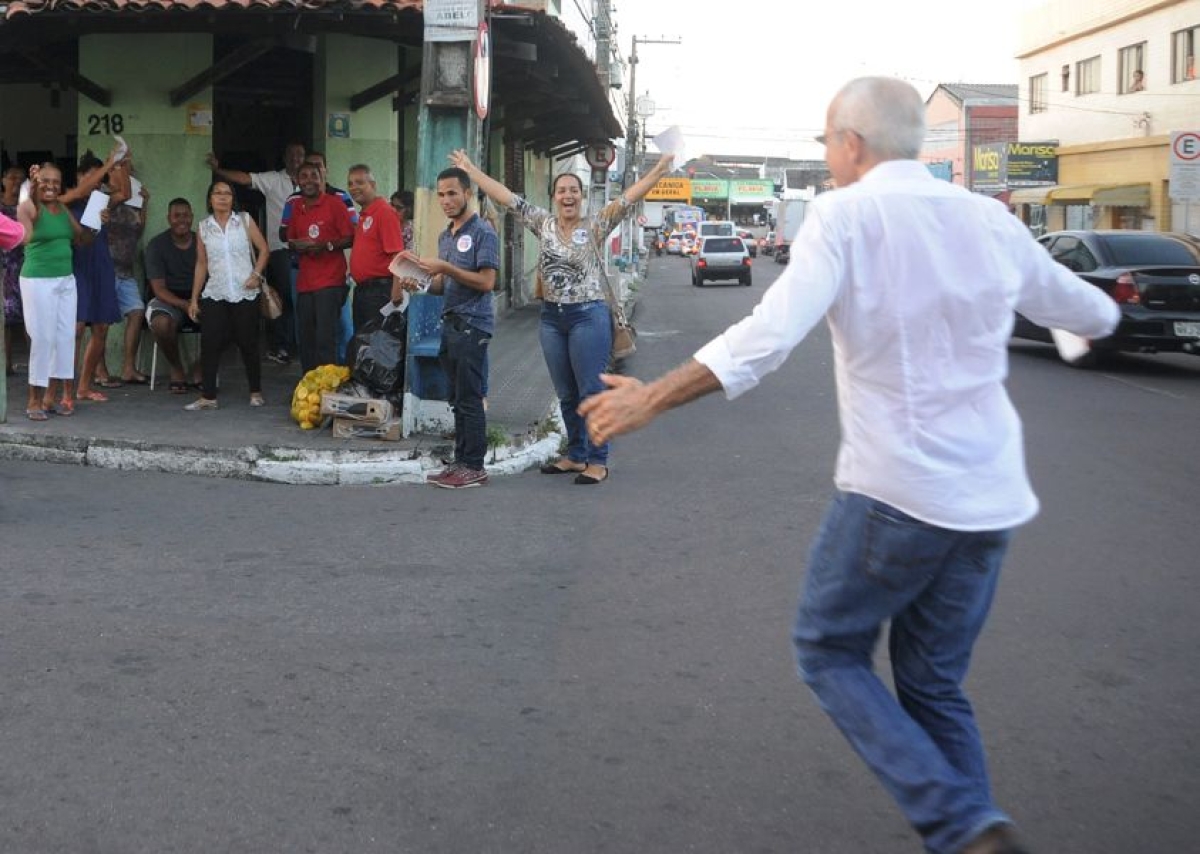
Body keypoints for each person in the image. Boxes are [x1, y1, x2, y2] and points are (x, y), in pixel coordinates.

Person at [578, 77, 1121, 854]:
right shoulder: (989, 220)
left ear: (852, 144)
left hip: (896, 495)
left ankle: (962, 823)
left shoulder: (843, 215)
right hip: (990, 501)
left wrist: (653, 399)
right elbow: (1092, 313)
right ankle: (976, 834)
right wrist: (1070, 334)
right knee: (932, 685)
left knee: (829, 649)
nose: (828, 157)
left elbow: (767, 337)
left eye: (827, 142)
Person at [448, 147, 674, 485]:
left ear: (581, 197)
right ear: (554, 197)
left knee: (590, 392)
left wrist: (657, 172)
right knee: (566, 393)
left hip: (588, 317)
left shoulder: (596, 223)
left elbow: (628, 199)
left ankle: (598, 460)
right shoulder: (543, 223)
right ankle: (576, 454)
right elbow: (506, 197)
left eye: (573, 190)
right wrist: (470, 170)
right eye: (562, 190)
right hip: (552, 319)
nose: (568, 195)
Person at [398, 165, 499, 489]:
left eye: (452, 193)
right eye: (440, 194)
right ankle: (460, 461)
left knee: (470, 397)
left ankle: (475, 466)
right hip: (451, 323)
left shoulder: (483, 232)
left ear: (468, 194)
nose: (445, 200)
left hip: (473, 325)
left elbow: (486, 281)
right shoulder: (446, 236)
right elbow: (444, 284)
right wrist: (423, 284)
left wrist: (445, 267)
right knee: (455, 397)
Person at [206, 142, 304, 365]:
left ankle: (298, 345)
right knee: (284, 298)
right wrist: (218, 170)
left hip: (308, 251)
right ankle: (281, 346)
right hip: (281, 250)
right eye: (292, 154)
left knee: (302, 299)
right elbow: (244, 178)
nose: (296, 159)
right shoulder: (274, 179)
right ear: (285, 157)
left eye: (300, 155)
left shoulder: (310, 184)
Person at [184, 180, 269, 411]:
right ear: (210, 199)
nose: (222, 197)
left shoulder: (244, 220)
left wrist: (256, 274)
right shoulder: (203, 227)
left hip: (245, 291)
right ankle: (208, 396)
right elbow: (202, 264)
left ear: (233, 198)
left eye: (227, 193)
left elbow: (264, 249)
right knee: (210, 344)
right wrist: (194, 298)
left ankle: (255, 391)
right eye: (217, 193)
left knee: (248, 343)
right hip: (216, 292)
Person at [16, 163, 84, 420]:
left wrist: (96, 223)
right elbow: (27, 223)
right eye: (45, 180)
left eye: (56, 181)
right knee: (42, 338)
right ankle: (33, 400)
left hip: (66, 280)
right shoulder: (29, 207)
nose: (51, 185)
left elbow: (82, 239)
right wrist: (33, 188)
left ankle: (49, 399)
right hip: (37, 281)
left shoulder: (63, 210)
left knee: (64, 337)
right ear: (35, 182)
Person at [69, 150, 130, 402]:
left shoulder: (102, 201)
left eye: (99, 176)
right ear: (79, 176)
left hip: (101, 264)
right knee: (77, 328)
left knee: (101, 327)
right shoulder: (67, 200)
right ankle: (66, 387)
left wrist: (121, 164)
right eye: (90, 175)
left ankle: (83, 387)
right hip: (76, 265)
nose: (95, 180)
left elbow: (125, 193)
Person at [285, 163, 354, 371]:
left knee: (325, 339)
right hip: (305, 283)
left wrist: (326, 245)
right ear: (297, 181)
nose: (308, 181)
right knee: (306, 340)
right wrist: (299, 246)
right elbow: (291, 239)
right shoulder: (297, 207)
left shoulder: (335, 204)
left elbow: (351, 237)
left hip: (330, 282)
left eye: (313, 176)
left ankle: (327, 390)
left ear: (322, 178)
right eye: (303, 176)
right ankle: (308, 388)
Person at [144, 197, 200, 392]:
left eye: (186, 215)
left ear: (192, 217)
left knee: (234, 318)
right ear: (169, 218)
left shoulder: (202, 242)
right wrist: (184, 305)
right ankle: (176, 368)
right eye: (177, 216)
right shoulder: (157, 245)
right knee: (161, 324)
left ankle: (199, 367)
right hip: (167, 299)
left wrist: (194, 302)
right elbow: (158, 289)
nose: (181, 220)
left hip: (197, 298)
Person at [347, 164, 407, 335]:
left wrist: (397, 288)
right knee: (363, 344)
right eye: (350, 183)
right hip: (363, 291)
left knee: (377, 346)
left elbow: (397, 253)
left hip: (380, 291)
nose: (354, 187)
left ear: (372, 185)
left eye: (359, 182)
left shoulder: (384, 212)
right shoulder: (365, 214)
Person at [105, 163, 149, 383]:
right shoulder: (104, 198)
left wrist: (145, 204)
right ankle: (99, 370)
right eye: (122, 171)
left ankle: (128, 368)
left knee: (136, 311)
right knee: (100, 320)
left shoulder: (132, 203)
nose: (127, 175)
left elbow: (138, 231)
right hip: (106, 268)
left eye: (130, 172)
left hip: (126, 269)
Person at [2, 166, 26, 374]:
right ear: (3, 180)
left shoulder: (26, 207)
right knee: (5, 321)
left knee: (30, 319)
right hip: (4, 269)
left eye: (20, 179)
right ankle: (6, 364)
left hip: (25, 265)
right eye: (11, 178)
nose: (16, 182)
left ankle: (35, 364)